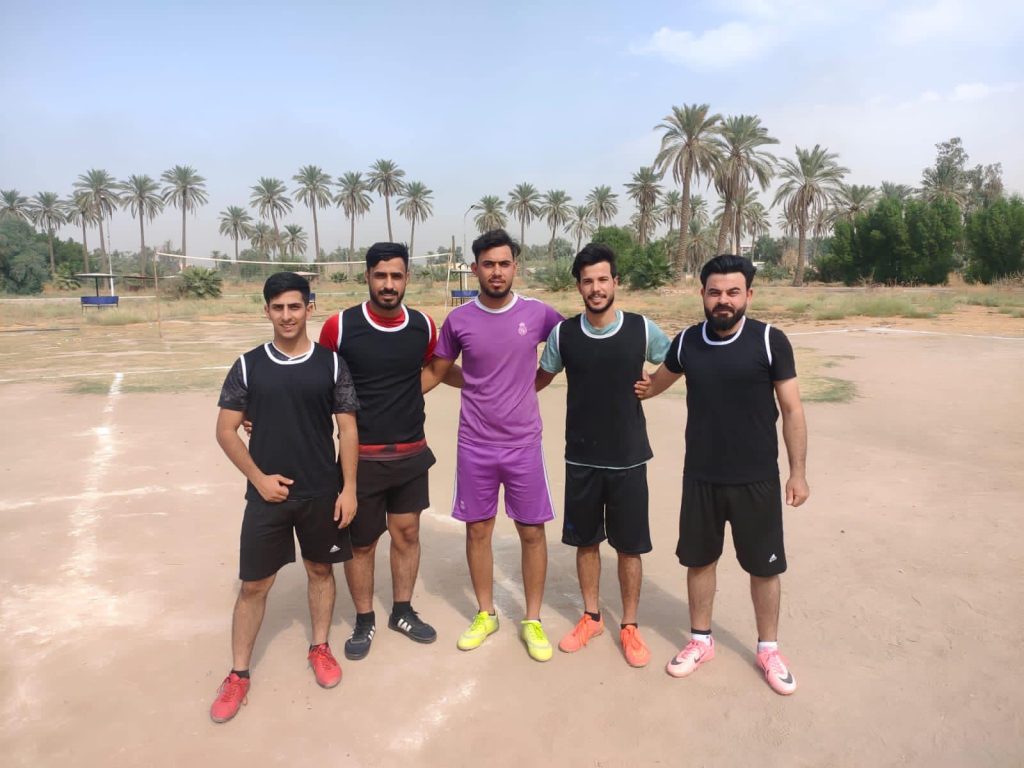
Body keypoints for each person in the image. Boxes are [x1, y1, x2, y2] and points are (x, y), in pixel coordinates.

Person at [637, 254, 809, 695]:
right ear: (702, 295)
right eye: (714, 292)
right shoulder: (687, 342)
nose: (723, 300)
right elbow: (654, 385)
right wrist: (617, 373)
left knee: (764, 568)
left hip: (757, 478)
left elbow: (792, 410)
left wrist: (798, 473)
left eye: (733, 292)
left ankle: (769, 649)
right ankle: (701, 641)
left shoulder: (770, 341)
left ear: (748, 294)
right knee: (699, 561)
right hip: (702, 477)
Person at [210, 272, 359, 724]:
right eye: (278, 307)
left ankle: (320, 646)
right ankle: (238, 674)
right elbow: (226, 430)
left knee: (320, 571)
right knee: (254, 585)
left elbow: (347, 428)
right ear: (267, 311)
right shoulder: (248, 365)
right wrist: (258, 478)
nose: (287, 315)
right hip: (266, 496)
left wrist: (349, 488)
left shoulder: (331, 364)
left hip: (321, 491)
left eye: (295, 306)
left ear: (309, 308)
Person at [423, 229, 563, 662]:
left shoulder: (539, 313)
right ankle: (486, 613)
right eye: (488, 264)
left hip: (523, 444)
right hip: (475, 444)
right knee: (478, 529)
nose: (497, 272)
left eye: (504, 264)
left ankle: (532, 618)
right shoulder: (459, 320)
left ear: (515, 267)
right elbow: (439, 370)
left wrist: (536, 381)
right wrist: (386, 401)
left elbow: (570, 347)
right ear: (475, 269)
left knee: (531, 531)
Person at [535, 243, 670, 668]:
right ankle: (592, 617)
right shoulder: (564, 335)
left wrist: (654, 386)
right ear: (578, 286)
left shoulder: (641, 329)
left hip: (629, 458)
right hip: (581, 459)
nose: (596, 288)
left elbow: (676, 360)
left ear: (616, 282)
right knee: (586, 542)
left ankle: (629, 625)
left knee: (630, 548)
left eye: (602, 280)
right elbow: (540, 378)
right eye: (587, 281)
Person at [318, 242, 445, 660]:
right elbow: (317, 380)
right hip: (362, 458)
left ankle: (402, 611)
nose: (388, 284)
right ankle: (364, 618)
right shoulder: (339, 326)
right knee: (363, 542)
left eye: (396, 276)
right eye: (380, 275)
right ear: (367, 277)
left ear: (407, 278)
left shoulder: (423, 326)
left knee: (407, 534)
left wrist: (406, 394)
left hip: (411, 452)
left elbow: (434, 369)